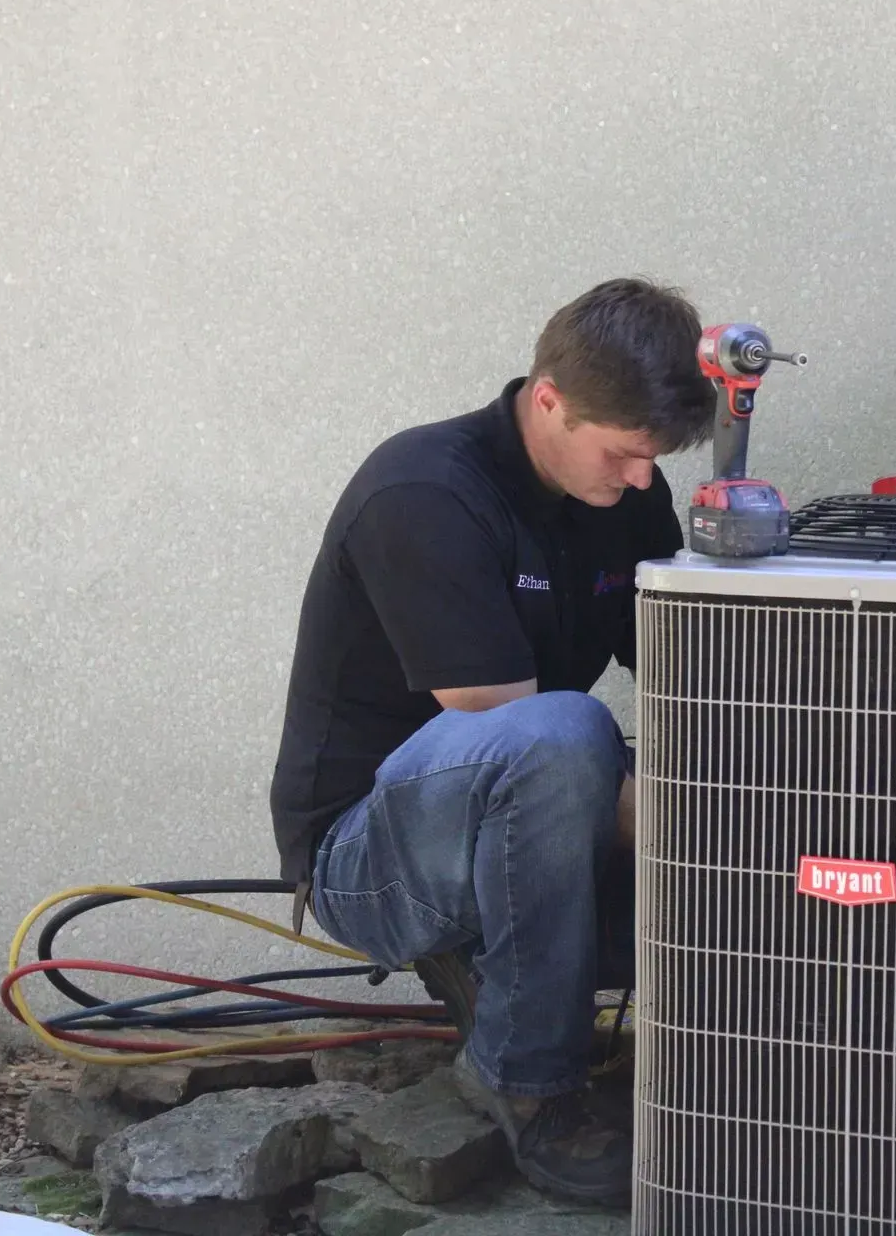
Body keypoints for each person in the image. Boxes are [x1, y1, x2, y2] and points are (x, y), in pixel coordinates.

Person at [267, 277, 713, 1208]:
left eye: (654, 459)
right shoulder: (425, 490)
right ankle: (527, 1078)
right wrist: (705, 819)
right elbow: (509, 729)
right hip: (367, 854)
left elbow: (685, 671)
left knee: (724, 809)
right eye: (627, 454)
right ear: (549, 400)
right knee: (565, 732)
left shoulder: (627, 493)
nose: (642, 478)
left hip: (522, 807)